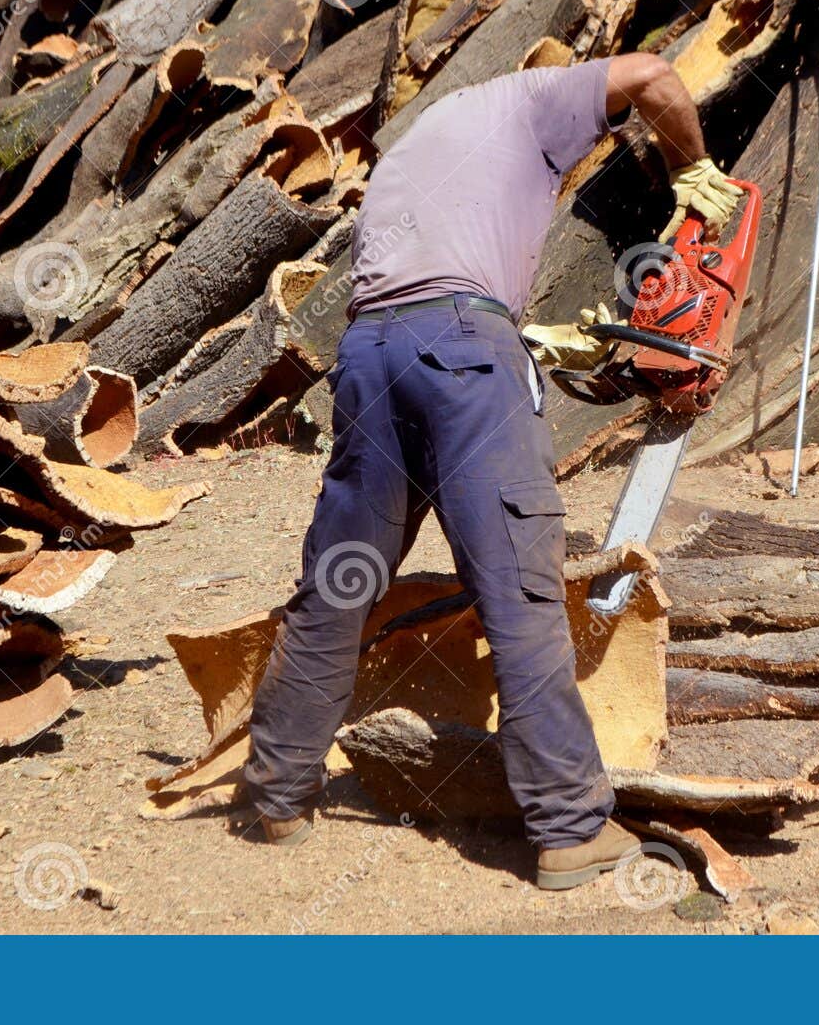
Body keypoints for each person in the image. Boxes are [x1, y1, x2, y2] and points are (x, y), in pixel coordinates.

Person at [244, 53, 742, 891]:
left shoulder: (417, 147)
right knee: (519, 584)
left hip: (370, 355)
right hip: (465, 358)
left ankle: (279, 794)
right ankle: (569, 825)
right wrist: (692, 167)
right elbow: (654, 76)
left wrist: (519, 336)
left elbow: (427, 295)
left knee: (340, 580)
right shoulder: (534, 98)